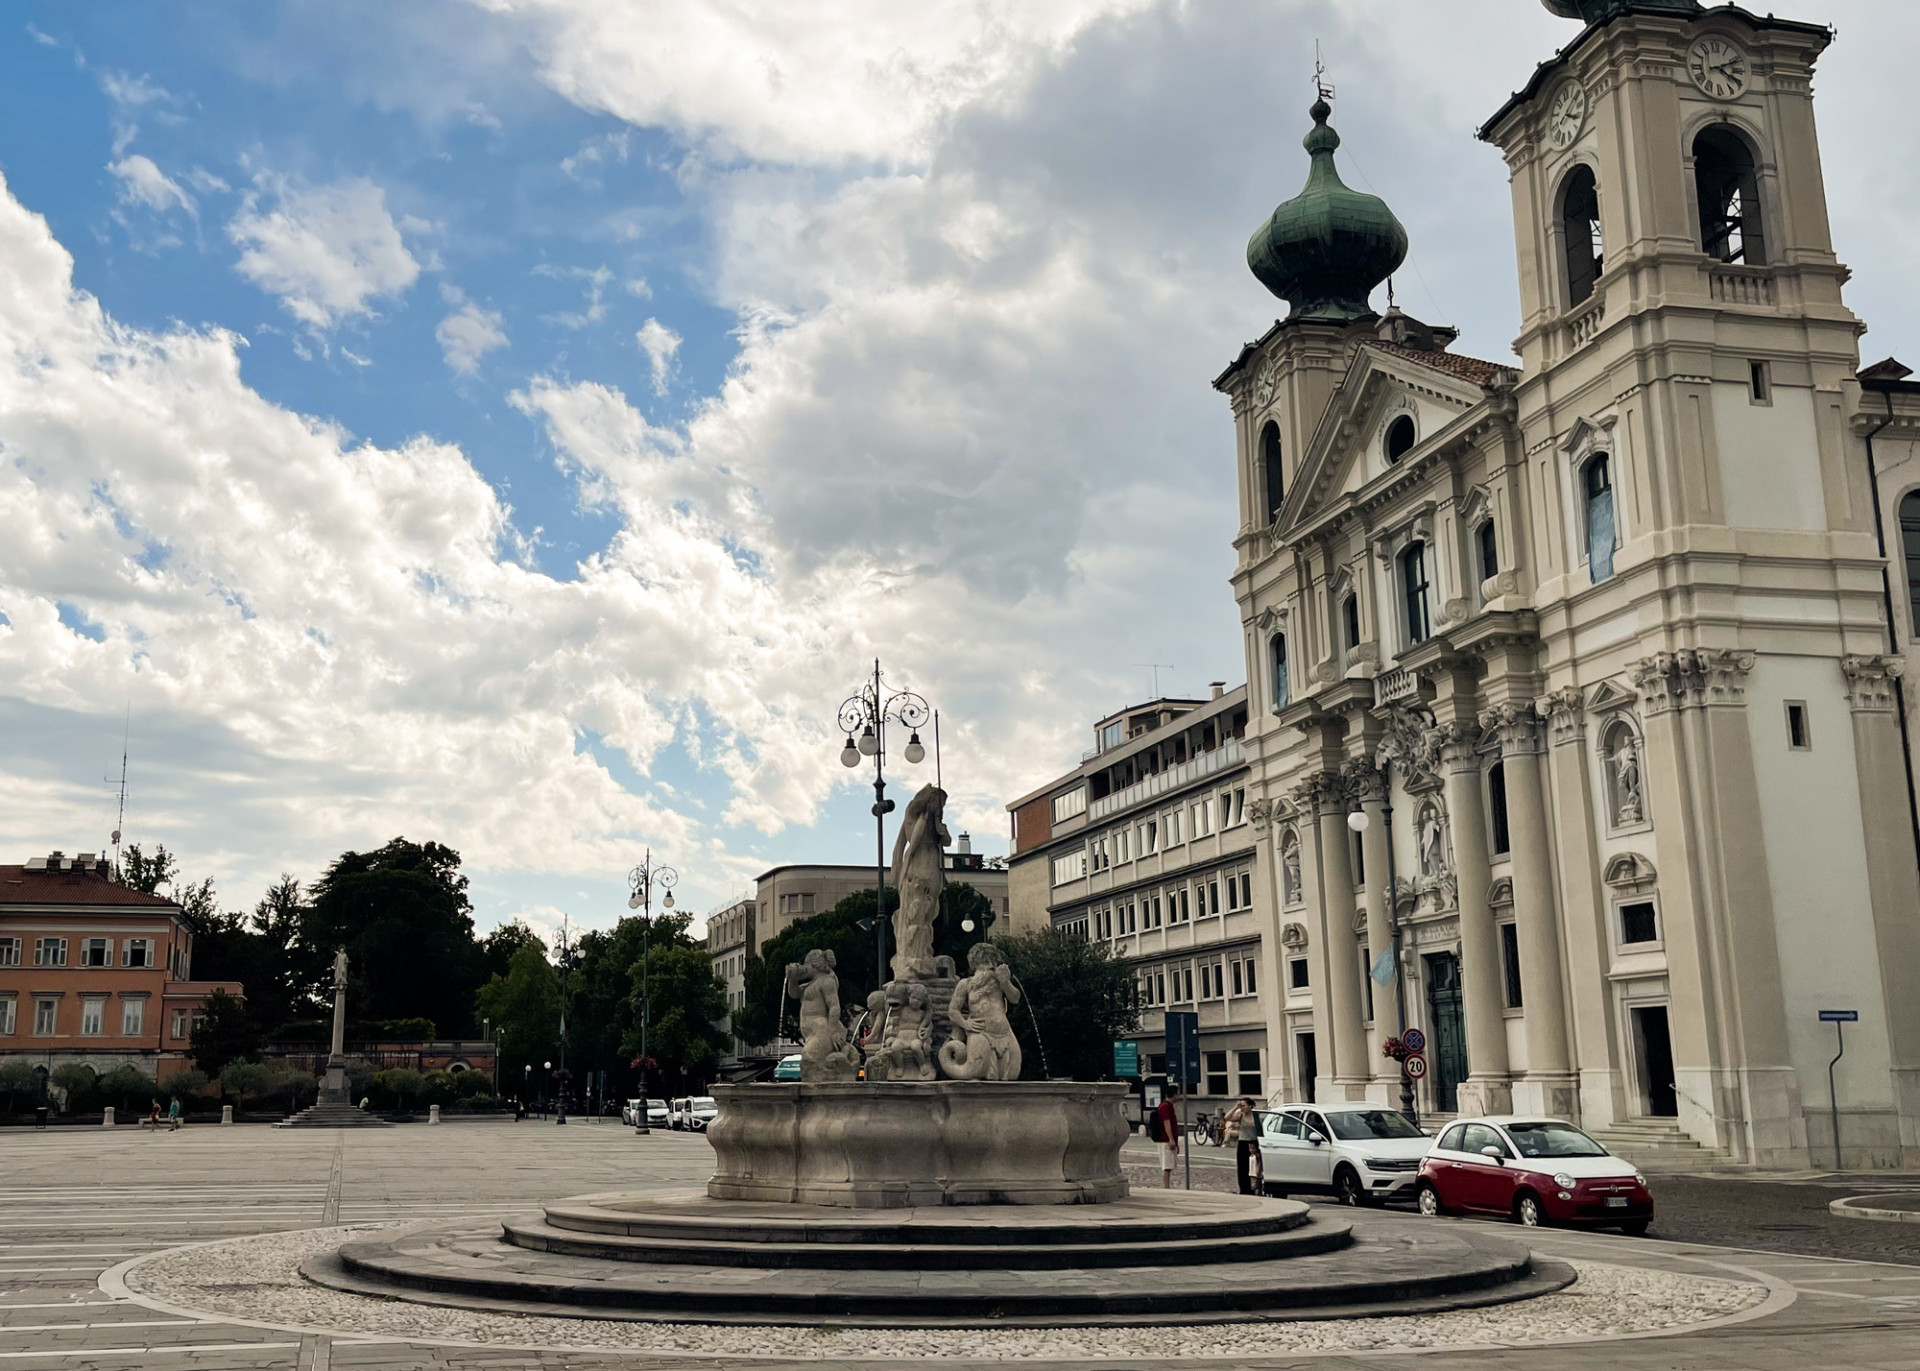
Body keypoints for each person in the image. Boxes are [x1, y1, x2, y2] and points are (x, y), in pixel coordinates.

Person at [1224, 1096, 1261, 1195]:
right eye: (1241, 1106)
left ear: (1250, 1106)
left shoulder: (1256, 1116)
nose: (1242, 1108)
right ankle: (1244, 1189)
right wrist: (1236, 1107)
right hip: (1243, 1143)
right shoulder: (1240, 1115)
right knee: (1242, 1168)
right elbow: (1227, 1117)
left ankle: (1254, 1188)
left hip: (1254, 1143)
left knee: (1254, 1167)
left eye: (1244, 1105)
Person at [1155, 1084, 1181, 1189]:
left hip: (1167, 1139)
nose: (1178, 1096)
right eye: (1177, 1094)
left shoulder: (1167, 1106)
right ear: (1174, 1095)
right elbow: (1167, 1123)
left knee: (1169, 1164)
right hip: (1165, 1140)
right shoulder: (1165, 1106)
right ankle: (1166, 1186)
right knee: (1167, 1165)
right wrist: (1171, 1139)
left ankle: (1166, 1185)